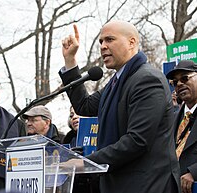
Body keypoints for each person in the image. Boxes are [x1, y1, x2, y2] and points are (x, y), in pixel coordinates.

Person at [58, 20, 180, 193]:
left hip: (146, 186)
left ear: (131, 42)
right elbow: (85, 106)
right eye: (101, 41)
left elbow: (137, 140)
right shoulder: (116, 82)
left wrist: (86, 162)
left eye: (109, 39)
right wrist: (70, 60)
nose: (103, 46)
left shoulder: (147, 80)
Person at [166, 60, 197, 193]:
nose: (179, 84)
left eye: (185, 78)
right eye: (175, 81)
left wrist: (194, 172)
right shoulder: (171, 118)